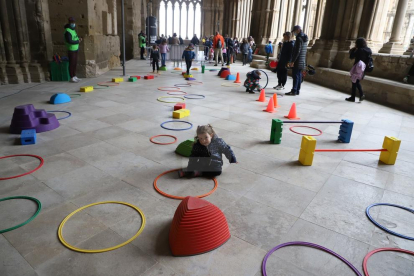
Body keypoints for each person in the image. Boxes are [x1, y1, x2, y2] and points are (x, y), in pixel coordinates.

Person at [346, 37, 372, 102]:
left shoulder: (359, 50)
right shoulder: (368, 50)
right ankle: (354, 97)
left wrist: (354, 49)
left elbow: (351, 56)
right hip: (364, 68)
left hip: (357, 67)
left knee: (355, 81)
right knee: (355, 81)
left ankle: (360, 94)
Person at [286, 25, 308, 96]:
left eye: (295, 31)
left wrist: (293, 61)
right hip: (302, 61)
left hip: (297, 61)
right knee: (299, 75)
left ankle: (294, 90)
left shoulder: (299, 38)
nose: (294, 33)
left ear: (298, 30)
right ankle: (297, 90)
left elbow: (297, 51)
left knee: (295, 76)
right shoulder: (304, 38)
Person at [64, 17, 82, 83]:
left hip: (76, 48)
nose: (73, 24)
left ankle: (74, 76)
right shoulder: (67, 31)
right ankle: (71, 77)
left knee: (75, 63)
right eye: (72, 22)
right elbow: (69, 41)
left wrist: (78, 39)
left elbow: (74, 38)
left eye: (74, 22)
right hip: (71, 49)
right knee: (71, 63)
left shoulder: (73, 30)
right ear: (69, 22)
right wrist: (78, 41)